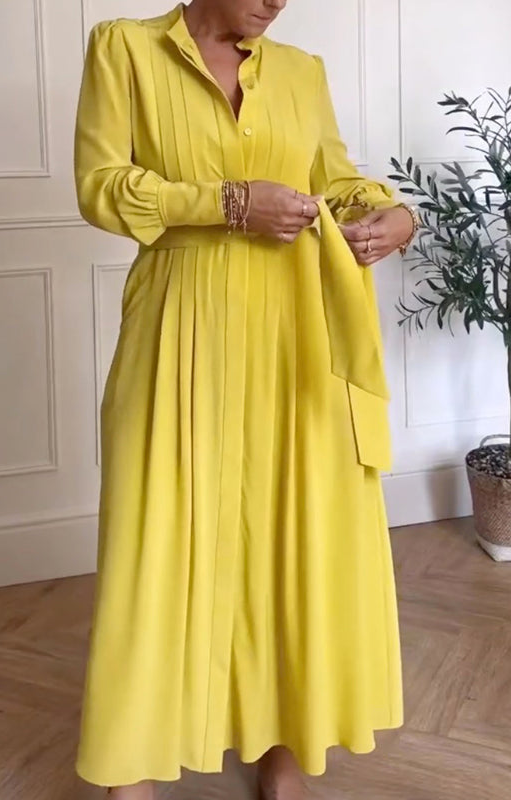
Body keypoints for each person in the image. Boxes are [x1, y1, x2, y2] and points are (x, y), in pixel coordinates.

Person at [73, 1, 413, 797]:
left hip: (297, 334)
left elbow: (334, 178)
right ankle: (132, 760)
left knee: (290, 529)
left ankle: (284, 741)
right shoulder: (125, 49)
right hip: (180, 323)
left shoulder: (301, 71)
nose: (275, 1)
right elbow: (100, 188)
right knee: (157, 528)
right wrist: (226, 203)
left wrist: (394, 215)